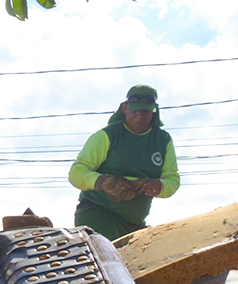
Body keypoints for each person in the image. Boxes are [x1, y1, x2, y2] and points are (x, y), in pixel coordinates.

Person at [68, 84, 180, 240]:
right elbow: (76, 173)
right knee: (110, 260)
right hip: (97, 214)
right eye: (135, 110)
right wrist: (103, 181)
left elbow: (172, 178)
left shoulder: (163, 140)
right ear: (125, 108)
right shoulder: (107, 135)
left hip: (134, 224)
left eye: (146, 111)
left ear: (154, 111)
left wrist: (161, 186)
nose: (140, 116)